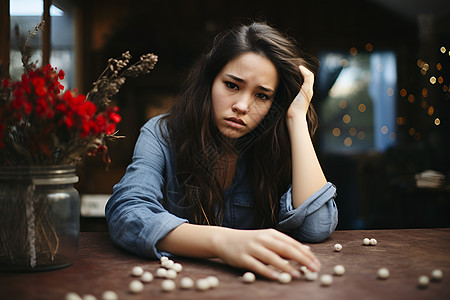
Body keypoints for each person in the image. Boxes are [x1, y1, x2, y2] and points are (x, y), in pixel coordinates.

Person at [105, 21, 338, 280]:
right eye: (232, 85)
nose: (242, 105)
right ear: (210, 80)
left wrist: (296, 118)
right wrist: (223, 242)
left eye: (262, 96)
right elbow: (127, 214)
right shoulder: (161, 134)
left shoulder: (277, 141)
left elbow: (317, 227)